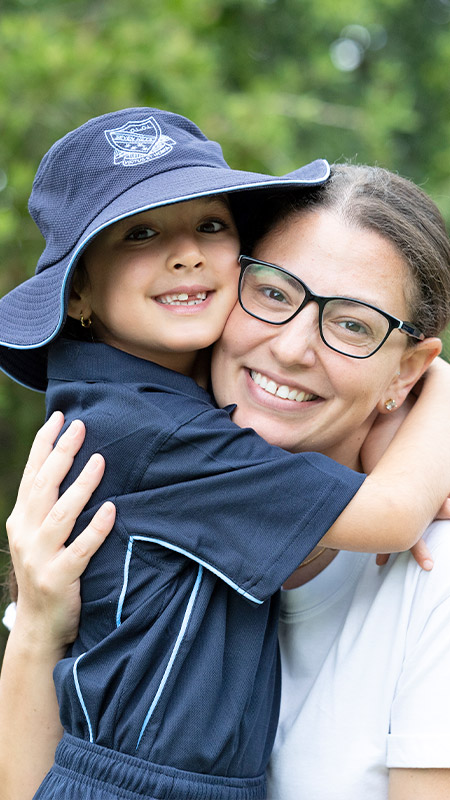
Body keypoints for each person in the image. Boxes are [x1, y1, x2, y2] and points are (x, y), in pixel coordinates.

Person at [1, 150, 450, 800]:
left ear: (406, 368)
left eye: (353, 326)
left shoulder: (431, 579)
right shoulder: (132, 472)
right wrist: (40, 626)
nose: (295, 348)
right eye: (273, 293)